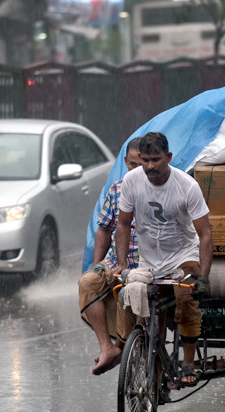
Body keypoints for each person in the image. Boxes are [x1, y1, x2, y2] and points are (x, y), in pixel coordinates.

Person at [113, 131, 212, 386]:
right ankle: (151, 370)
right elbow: (122, 224)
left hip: (182, 255)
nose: (149, 166)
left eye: (155, 159)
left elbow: (205, 234)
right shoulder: (131, 181)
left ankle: (188, 362)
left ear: (168, 157)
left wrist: (203, 277)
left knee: (186, 298)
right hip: (150, 261)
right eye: (145, 160)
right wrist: (122, 263)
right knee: (145, 313)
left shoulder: (186, 186)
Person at [78, 137, 143, 375]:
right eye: (133, 164)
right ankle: (108, 347)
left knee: (130, 293)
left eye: (142, 165)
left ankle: (125, 348)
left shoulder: (156, 188)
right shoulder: (117, 189)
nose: (137, 170)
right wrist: (96, 265)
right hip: (117, 260)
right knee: (88, 282)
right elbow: (105, 228)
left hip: (147, 264)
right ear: (126, 162)